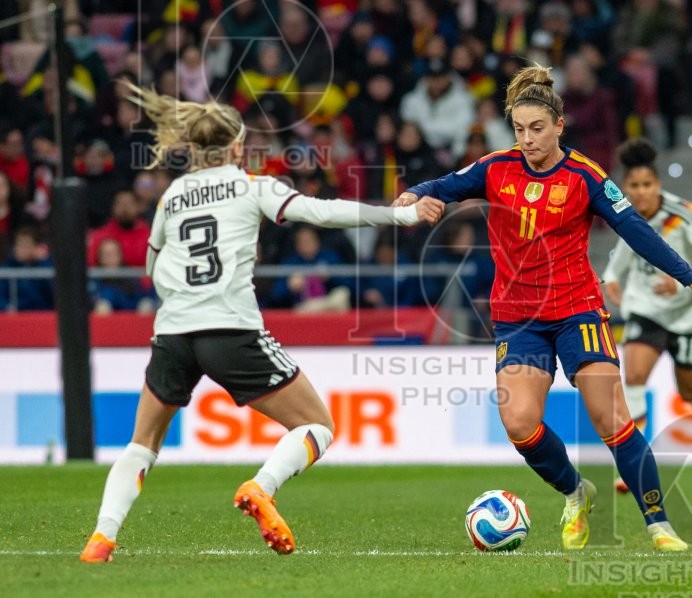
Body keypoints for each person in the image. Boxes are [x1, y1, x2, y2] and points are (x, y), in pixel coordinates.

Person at [80, 85, 444, 563]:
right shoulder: (253, 185)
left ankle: (101, 538)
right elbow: (321, 211)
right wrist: (401, 215)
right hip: (230, 328)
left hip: (172, 333)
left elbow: (151, 266)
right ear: (236, 147)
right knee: (318, 425)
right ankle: (262, 487)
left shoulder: (171, 196)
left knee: (141, 444)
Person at [393, 64, 692, 552]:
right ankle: (576, 492)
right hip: (518, 317)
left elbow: (637, 231)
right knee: (519, 423)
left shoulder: (585, 176)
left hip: (578, 310)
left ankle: (660, 526)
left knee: (612, 419)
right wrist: (413, 196)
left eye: (536, 129)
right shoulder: (495, 168)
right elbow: (440, 187)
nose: (527, 139)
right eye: (519, 130)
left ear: (557, 127)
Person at [602, 138, 692, 494]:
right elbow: (626, 251)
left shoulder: (683, 212)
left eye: (647, 185)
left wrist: (684, 283)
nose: (641, 192)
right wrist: (612, 278)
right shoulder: (623, 213)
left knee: (689, 391)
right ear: (625, 187)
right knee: (635, 374)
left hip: (689, 317)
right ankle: (636, 460)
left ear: (657, 185)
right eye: (634, 186)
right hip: (647, 310)